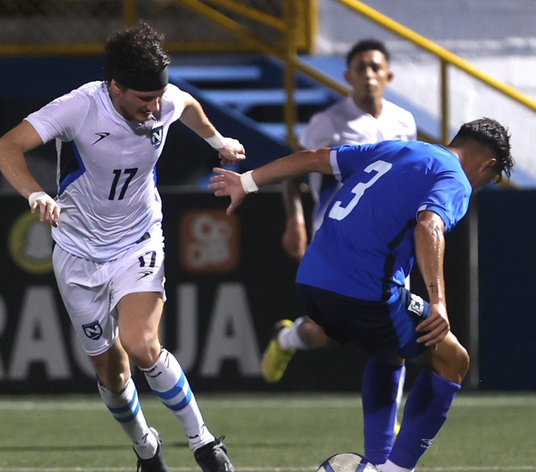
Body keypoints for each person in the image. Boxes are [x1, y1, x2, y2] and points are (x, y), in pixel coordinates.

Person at [0, 22, 241, 472]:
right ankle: (146, 447)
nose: (154, 108)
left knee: (142, 345)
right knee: (111, 371)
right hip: (78, 251)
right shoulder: (80, 107)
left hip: (138, 238)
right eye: (144, 100)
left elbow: (189, 107)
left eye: (159, 97)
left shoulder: (163, 101)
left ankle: (204, 443)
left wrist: (218, 141)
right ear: (115, 87)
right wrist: (35, 193)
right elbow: (7, 147)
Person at [209, 118, 513, 471]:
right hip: (363, 288)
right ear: (487, 165)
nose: (478, 186)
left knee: (390, 352)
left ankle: (380, 461)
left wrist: (247, 181)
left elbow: (312, 158)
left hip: (311, 280)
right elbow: (429, 224)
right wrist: (438, 301)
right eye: (487, 181)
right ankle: (395, 470)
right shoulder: (455, 177)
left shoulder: (398, 148)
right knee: (453, 361)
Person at [264, 38, 418, 384]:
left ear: (388, 75)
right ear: (348, 75)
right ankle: (288, 339)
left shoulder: (403, 122)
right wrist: (296, 220)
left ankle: (385, 432)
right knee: (327, 330)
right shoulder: (329, 121)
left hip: (391, 237)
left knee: (396, 325)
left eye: (375, 67)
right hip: (340, 232)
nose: (368, 74)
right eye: (361, 67)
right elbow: (294, 171)